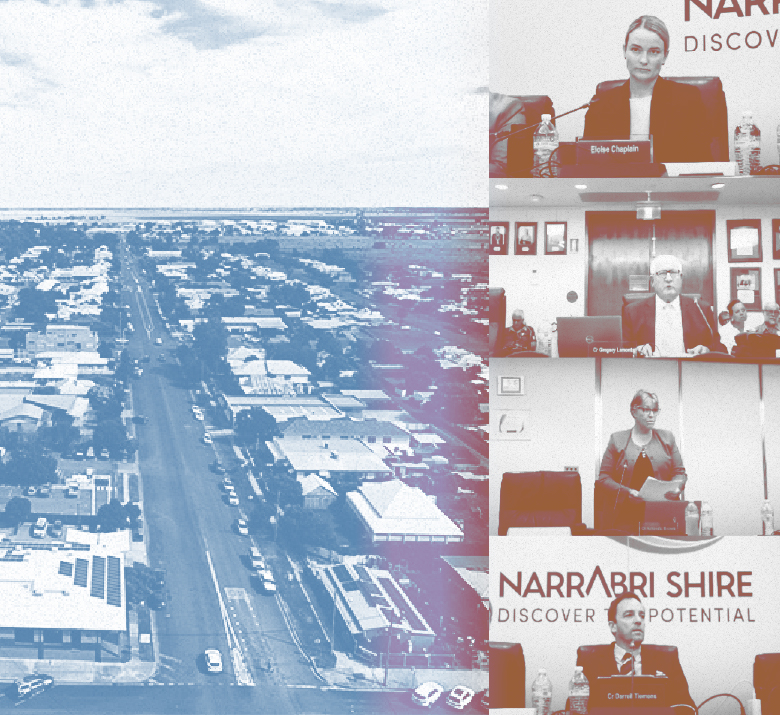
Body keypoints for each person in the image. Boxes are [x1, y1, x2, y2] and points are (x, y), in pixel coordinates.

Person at [582, 16, 713, 164]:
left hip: (671, 186)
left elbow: (701, 165)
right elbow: (589, 167)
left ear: (665, 57)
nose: (644, 60)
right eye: (636, 50)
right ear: (625, 51)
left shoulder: (688, 100)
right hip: (616, 187)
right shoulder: (600, 105)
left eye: (654, 52)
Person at [576, 592, 695, 710]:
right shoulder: (590, 661)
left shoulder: (667, 660)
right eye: (628, 615)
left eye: (642, 615)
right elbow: (575, 708)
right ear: (613, 626)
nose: (638, 620)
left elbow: (687, 708)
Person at [597, 390, 686, 532]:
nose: (651, 415)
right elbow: (603, 478)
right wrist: (627, 492)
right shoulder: (617, 440)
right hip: (625, 514)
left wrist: (677, 488)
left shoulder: (667, 438)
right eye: (646, 410)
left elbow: (680, 472)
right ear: (634, 412)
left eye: (655, 410)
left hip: (661, 513)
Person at [622, 254, 726, 356]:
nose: (668, 279)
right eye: (662, 273)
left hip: (689, 370)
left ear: (681, 278)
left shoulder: (702, 310)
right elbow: (624, 352)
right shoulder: (633, 312)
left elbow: (719, 347)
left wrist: (706, 350)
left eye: (673, 273)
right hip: (649, 370)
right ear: (652, 281)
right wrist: (637, 350)